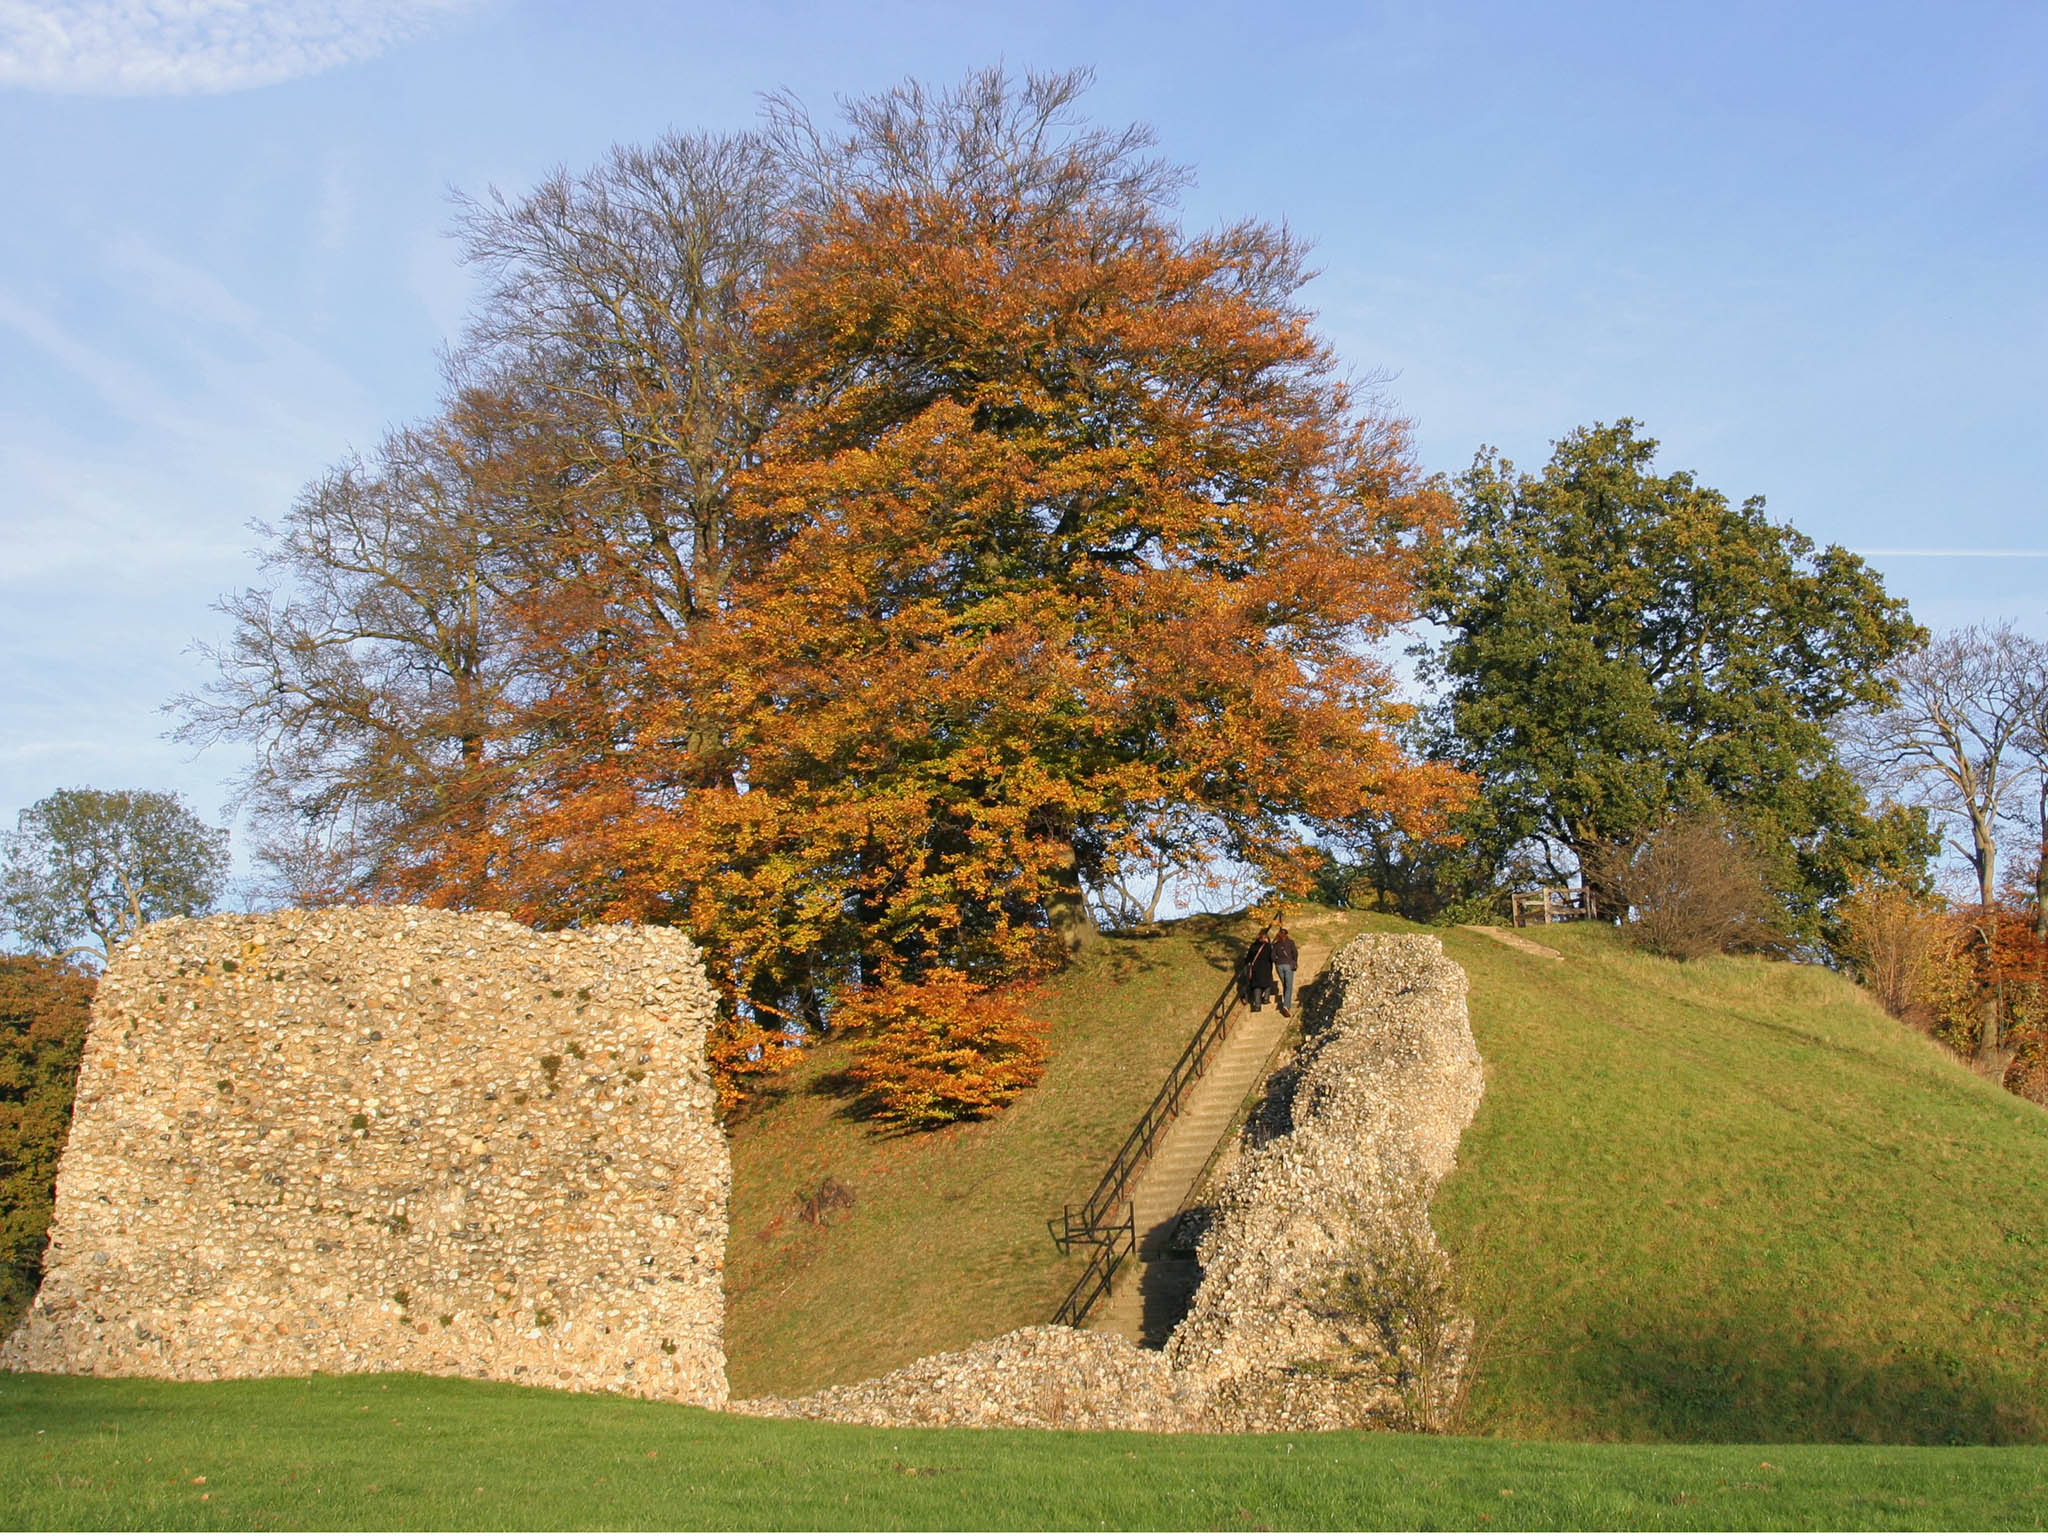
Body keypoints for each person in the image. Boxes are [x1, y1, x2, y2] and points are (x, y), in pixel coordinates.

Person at [1271, 925, 1299, 1016]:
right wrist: (1294, 961)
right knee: (1288, 986)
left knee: (1285, 985)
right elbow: (1295, 953)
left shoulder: (1275, 944)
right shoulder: (1290, 942)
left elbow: (1272, 957)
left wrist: (1277, 961)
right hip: (1288, 965)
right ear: (1286, 934)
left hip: (1279, 965)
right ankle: (1286, 1006)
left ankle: (1285, 1002)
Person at [1244, 932, 1275, 1012]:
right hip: (1266, 968)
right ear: (1265, 938)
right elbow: (1272, 958)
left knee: (1257, 986)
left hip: (1255, 969)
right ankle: (1266, 998)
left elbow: (1248, 958)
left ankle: (1257, 1006)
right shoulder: (1268, 946)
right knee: (1268, 983)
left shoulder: (1253, 946)